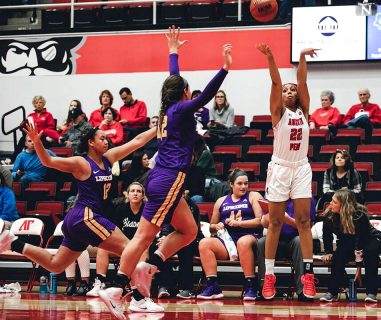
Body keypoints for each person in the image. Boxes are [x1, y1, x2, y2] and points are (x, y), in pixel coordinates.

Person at [99, 26, 232, 319]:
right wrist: (224, 68)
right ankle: (116, 287)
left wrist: (174, 52)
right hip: (169, 178)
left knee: (189, 230)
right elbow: (205, 95)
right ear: (184, 93)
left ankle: (148, 271)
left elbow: (175, 80)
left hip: (162, 177)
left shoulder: (169, 109)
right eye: (186, 88)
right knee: (144, 237)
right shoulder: (182, 109)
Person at [0, 123, 162, 315]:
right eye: (101, 138)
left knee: (56, 264)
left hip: (79, 220)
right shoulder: (81, 163)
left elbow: (137, 141)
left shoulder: (108, 159)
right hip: (85, 216)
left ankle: (12, 241)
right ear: (90, 143)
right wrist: (37, 143)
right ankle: (139, 298)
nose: (106, 141)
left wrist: (159, 126)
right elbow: (48, 162)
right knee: (132, 249)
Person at [256, 43, 317, 300]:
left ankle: (309, 275)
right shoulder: (277, 113)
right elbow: (274, 83)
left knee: (304, 222)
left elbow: (302, 80)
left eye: (293, 89)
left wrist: (302, 57)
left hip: (301, 167)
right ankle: (269, 275)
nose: (290, 90)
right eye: (286, 89)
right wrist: (271, 57)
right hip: (280, 168)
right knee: (276, 223)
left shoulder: (304, 111)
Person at [197, 169, 262, 300]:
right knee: (204, 243)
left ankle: (250, 285)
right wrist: (217, 226)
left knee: (242, 242)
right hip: (227, 241)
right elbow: (211, 228)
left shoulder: (254, 196)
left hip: (250, 237)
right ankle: (212, 286)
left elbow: (260, 221)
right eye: (240, 183)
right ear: (231, 184)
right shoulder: (221, 201)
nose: (244, 187)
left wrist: (240, 224)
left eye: (246, 183)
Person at [86, 183, 150, 303]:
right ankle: (100, 282)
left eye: (139, 191)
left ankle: (138, 288)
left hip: (141, 247)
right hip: (123, 245)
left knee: (142, 250)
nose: (135, 193)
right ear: (128, 194)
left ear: (143, 196)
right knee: (103, 248)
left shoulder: (147, 211)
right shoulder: (121, 209)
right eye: (132, 191)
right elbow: (115, 231)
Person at [320, 189, 381, 303]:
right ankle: (332, 292)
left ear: (343, 205)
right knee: (337, 256)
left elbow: (361, 239)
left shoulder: (359, 215)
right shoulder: (329, 215)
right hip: (346, 240)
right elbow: (326, 235)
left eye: (334, 202)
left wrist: (358, 266)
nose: (330, 204)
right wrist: (328, 252)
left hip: (368, 239)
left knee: (370, 254)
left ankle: (371, 293)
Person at [257, 197, 316, 301]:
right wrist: (265, 220)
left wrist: (287, 219)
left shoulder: (306, 197)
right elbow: (264, 224)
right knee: (261, 242)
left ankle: (302, 290)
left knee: (299, 241)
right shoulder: (271, 196)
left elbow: (308, 227)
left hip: (293, 241)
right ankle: (263, 286)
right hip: (275, 241)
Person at [154, 193, 201, 299]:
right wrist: (164, 237)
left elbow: (192, 230)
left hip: (191, 239)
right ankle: (164, 285)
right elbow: (166, 225)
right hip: (170, 237)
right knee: (158, 247)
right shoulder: (167, 203)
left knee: (185, 248)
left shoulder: (192, 206)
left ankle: (187, 288)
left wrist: (168, 238)